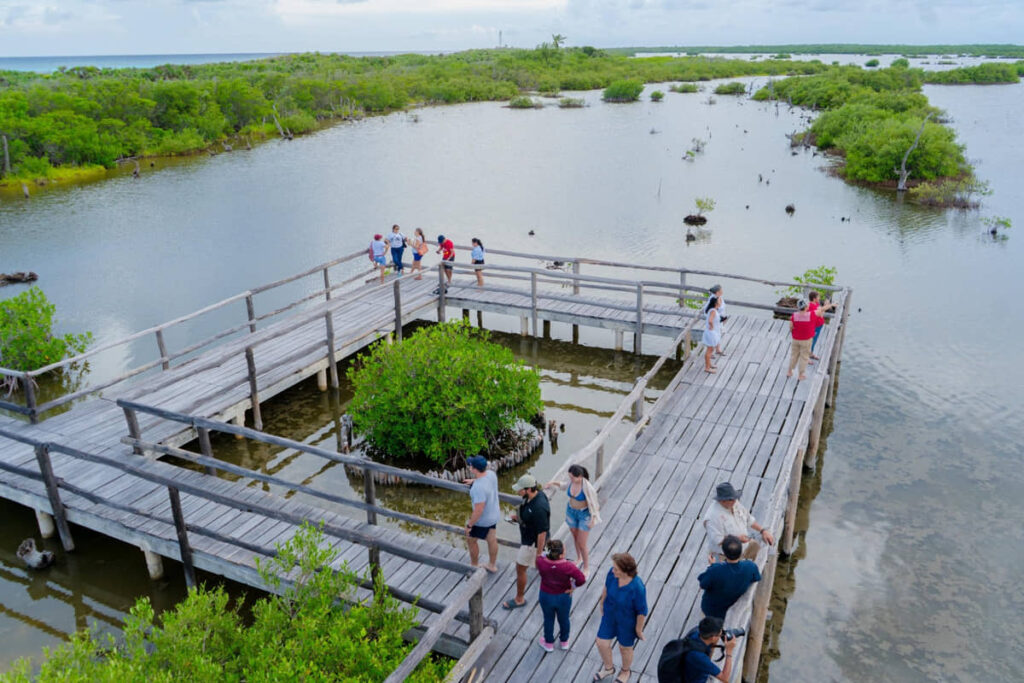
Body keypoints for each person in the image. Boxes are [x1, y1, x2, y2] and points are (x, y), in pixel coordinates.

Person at [594, 552, 648, 683]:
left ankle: (625, 671)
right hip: (610, 615)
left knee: (625, 648)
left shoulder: (637, 587)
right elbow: (606, 587)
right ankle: (609, 668)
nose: (613, 570)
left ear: (626, 571)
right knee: (601, 642)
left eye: (616, 569)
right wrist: (602, 602)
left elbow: (642, 611)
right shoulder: (612, 574)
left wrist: (638, 630)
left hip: (627, 621)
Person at [502, 474, 550, 610]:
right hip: (528, 538)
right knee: (543, 566)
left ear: (528, 489)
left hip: (532, 544)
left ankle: (519, 599)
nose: (518, 492)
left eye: (520, 489)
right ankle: (551, 580)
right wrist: (518, 517)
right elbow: (530, 516)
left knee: (520, 568)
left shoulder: (539, 507)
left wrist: (538, 554)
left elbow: (542, 533)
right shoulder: (535, 495)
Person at [544, 464, 601, 576]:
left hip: (584, 514)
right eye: (570, 477)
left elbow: (595, 504)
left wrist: (593, 519)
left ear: (580, 477)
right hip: (571, 512)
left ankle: (586, 567)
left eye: (572, 477)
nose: (570, 479)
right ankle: (578, 558)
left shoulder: (588, 487)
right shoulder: (571, 482)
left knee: (582, 543)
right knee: (575, 536)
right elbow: (563, 486)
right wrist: (552, 483)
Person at [702, 482, 774, 564]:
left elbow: (749, 519)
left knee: (759, 551)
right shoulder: (712, 517)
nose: (735, 501)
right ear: (722, 500)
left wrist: (763, 531)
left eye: (735, 498)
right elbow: (718, 540)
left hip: (745, 546)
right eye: (731, 499)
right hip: (726, 556)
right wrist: (738, 539)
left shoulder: (734, 502)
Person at [535, 539, 586, 652]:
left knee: (548, 619)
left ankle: (548, 643)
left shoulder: (541, 562)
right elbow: (581, 579)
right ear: (561, 554)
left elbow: (540, 555)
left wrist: (546, 552)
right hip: (563, 596)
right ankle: (564, 642)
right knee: (564, 619)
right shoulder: (568, 566)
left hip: (546, 595)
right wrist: (573, 586)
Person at [697, 535, 761, 619]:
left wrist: (711, 566)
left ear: (724, 553)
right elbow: (757, 577)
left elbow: (703, 584)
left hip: (712, 611)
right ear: (741, 551)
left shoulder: (715, 570)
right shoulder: (750, 566)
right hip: (734, 603)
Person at [462, 455, 499, 573]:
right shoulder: (491, 474)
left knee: (471, 540)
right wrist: (474, 480)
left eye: (470, 466)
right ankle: (492, 565)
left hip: (482, 520)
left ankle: (474, 565)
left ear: (474, 469)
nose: (469, 467)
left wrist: (469, 525)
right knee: (492, 539)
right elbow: (485, 479)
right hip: (493, 515)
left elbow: (479, 510)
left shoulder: (478, 488)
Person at [677, 617, 739, 683]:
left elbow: (706, 658)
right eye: (719, 635)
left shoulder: (697, 632)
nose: (721, 636)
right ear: (713, 638)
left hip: (689, 670)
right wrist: (729, 651)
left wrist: (713, 644)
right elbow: (725, 678)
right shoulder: (699, 657)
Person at [787, 299, 815, 381]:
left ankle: (789, 371)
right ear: (806, 307)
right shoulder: (810, 315)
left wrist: (794, 332)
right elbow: (819, 312)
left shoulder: (794, 315)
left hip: (795, 339)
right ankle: (801, 374)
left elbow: (791, 327)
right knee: (804, 357)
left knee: (794, 355)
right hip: (806, 340)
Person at [807, 291, 835, 362]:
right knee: (811, 341)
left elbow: (822, 313)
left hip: (819, 326)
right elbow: (821, 312)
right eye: (818, 297)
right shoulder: (811, 306)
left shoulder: (816, 304)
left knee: (815, 340)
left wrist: (825, 305)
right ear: (814, 298)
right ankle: (806, 357)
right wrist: (830, 305)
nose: (819, 298)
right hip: (814, 326)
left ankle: (811, 353)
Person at [702, 296, 722, 374]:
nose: (721, 302)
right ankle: (707, 368)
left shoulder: (713, 310)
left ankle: (709, 364)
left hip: (711, 332)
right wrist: (711, 326)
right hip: (711, 333)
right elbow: (710, 320)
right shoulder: (713, 311)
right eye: (720, 301)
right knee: (709, 350)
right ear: (716, 303)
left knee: (711, 349)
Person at [705, 284, 727, 356]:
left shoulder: (720, 297)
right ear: (717, 292)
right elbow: (709, 310)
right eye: (721, 290)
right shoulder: (713, 299)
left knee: (718, 334)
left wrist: (723, 318)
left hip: (719, 319)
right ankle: (710, 353)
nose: (722, 291)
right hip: (714, 320)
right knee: (713, 336)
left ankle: (718, 349)